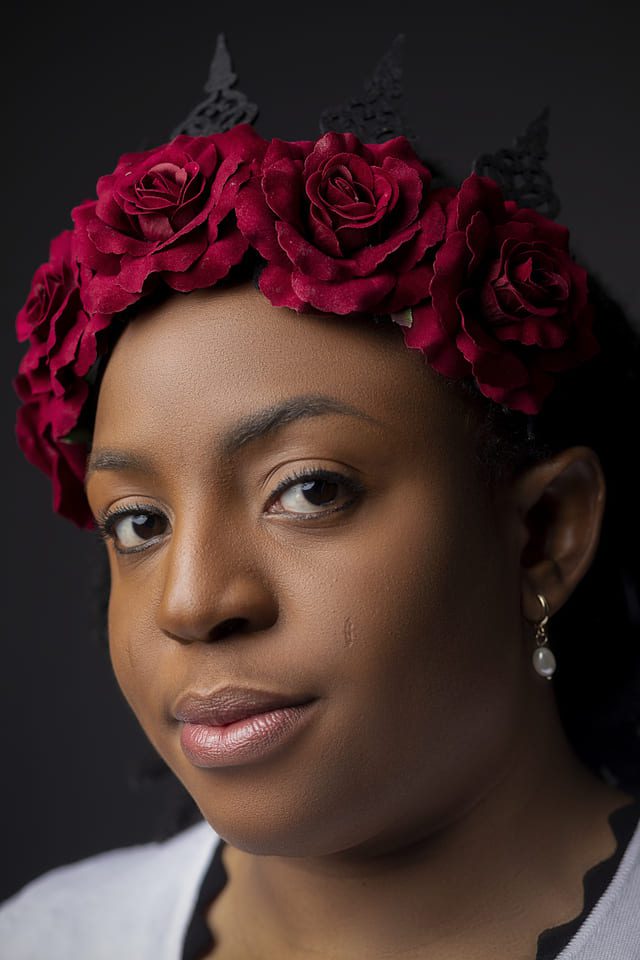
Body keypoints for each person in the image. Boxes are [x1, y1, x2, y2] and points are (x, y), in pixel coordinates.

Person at [2, 34, 640, 960]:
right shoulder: (48, 940)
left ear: (543, 532)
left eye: (308, 490)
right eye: (138, 522)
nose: (191, 603)